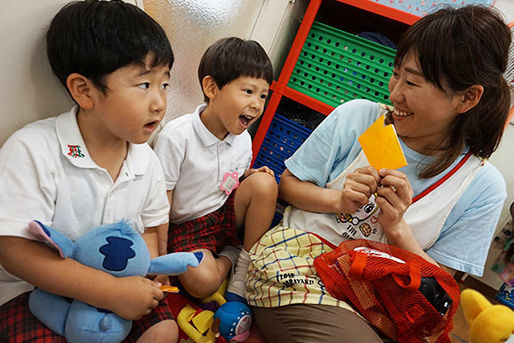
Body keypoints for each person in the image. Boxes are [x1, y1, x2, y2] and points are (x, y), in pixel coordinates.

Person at [245, 5, 512, 342]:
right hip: (300, 267)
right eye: (396, 73)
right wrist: (338, 199)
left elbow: (438, 288)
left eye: (412, 82)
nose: (394, 92)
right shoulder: (359, 117)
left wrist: (397, 228)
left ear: (467, 98)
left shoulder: (481, 186)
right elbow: (289, 185)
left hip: (383, 305)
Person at [0, 1, 180, 342]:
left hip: (121, 287)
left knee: (165, 330)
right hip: (37, 293)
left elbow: (153, 229)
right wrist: (110, 293)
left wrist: (147, 277)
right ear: (84, 90)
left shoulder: (147, 161)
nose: (159, 102)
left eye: (164, 84)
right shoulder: (32, 149)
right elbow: (14, 252)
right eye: (144, 84)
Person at [153, 37, 277, 302]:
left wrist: (251, 177)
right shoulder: (178, 136)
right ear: (211, 87)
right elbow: (161, 204)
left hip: (223, 212)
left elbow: (232, 177)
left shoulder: (242, 138)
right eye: (248, 91)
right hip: (187, 227)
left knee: (266, 184)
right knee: (203, 282)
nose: (257, 104)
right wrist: (160, 259)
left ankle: (244, 265)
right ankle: (230, 257)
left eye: (263, 95)